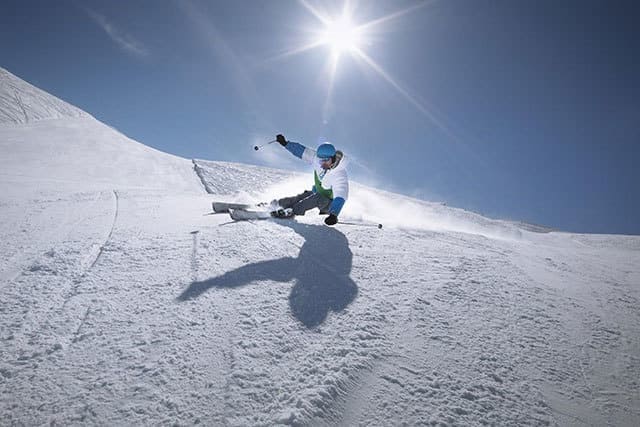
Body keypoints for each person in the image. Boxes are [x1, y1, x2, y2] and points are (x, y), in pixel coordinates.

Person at [271, 134, 349, 226]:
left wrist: (334, 214)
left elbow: (341, 195)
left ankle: (291, 212)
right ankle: (278, 204)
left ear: (333, 158)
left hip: (329, 204)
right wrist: (286, 143)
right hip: (317, 193)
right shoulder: (317, 159)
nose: (322, 163)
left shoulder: (339, 173)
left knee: (315, 198)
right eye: (321, 160)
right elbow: (302, 151)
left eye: (326, 160)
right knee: (302, 196)